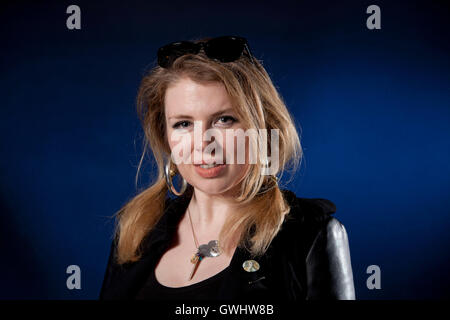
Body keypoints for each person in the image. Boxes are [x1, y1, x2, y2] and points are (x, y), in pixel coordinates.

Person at [99, 35, 355, 300]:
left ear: (263, 129)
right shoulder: (135, 231)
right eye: (183, 124)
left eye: (224, 119)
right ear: (165, 136)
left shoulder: (311, 238)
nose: (203, 144)